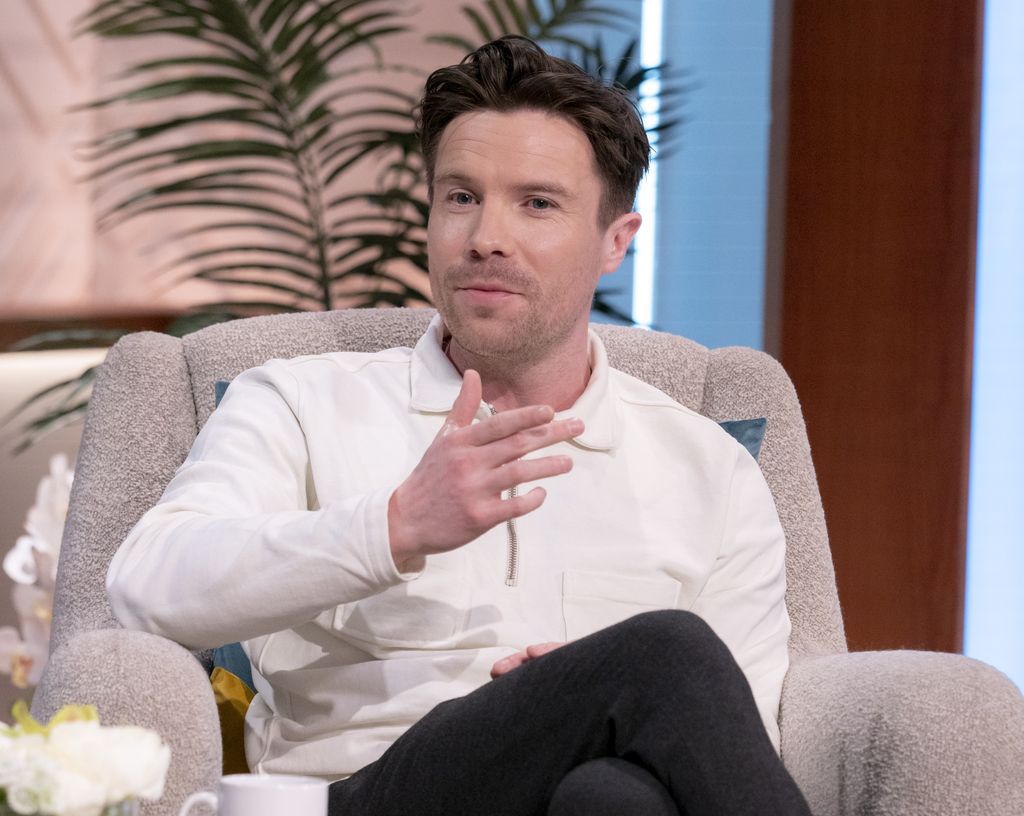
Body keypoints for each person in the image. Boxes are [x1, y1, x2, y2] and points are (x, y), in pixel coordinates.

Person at [107, 36, 812, 816]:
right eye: (461, 197)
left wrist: (580, 692)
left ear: (618, 241)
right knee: (667, 650)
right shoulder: (298, 402)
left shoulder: (707, 465)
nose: (485, 238)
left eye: (536, 203)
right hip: (368, 793)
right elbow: (149, 587)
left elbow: (738, 732)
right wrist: (395, 526)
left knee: (614, 795)